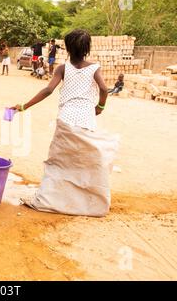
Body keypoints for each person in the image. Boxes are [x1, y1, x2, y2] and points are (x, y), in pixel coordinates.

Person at [10, 29, 118, 217]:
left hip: (66, 119)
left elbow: (48, 90)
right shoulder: (94, 68)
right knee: (84, 163)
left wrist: (24, 106)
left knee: (58, 163)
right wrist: (100, 107)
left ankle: (51, 200)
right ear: (87, 48)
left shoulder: (62, 68)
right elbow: (103, 88)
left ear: (67, 48)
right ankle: (87, 203)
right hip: (87, 118)